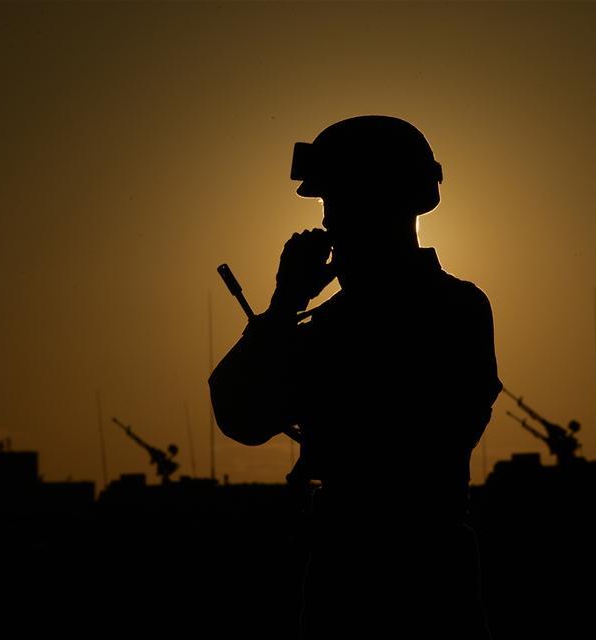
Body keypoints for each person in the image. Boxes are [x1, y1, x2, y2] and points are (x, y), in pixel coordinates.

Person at [209, 115, 501, 638]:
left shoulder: (446, 311)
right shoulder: (341, 321)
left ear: (386, 205)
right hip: (353, 568)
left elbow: (247, 416)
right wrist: (284, 307)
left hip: (407, 573)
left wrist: (285, 310)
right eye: (328, 208)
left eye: (339, 205)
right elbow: (239, 415)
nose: (329, 226)